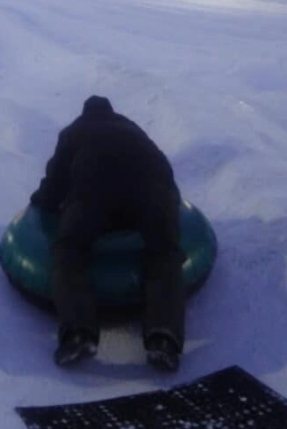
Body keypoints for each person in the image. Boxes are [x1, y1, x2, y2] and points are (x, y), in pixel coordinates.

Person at [30, 95, 186, 372]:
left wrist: (41, 202)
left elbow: (55, 183)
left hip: (95, 192)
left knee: (69, 250)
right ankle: (163, 336)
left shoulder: (74, 131)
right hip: (153, 190)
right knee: (164, 252)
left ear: (84, 114)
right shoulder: (132, 128)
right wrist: (171, 209)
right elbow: (163, 167)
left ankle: (79, 333)